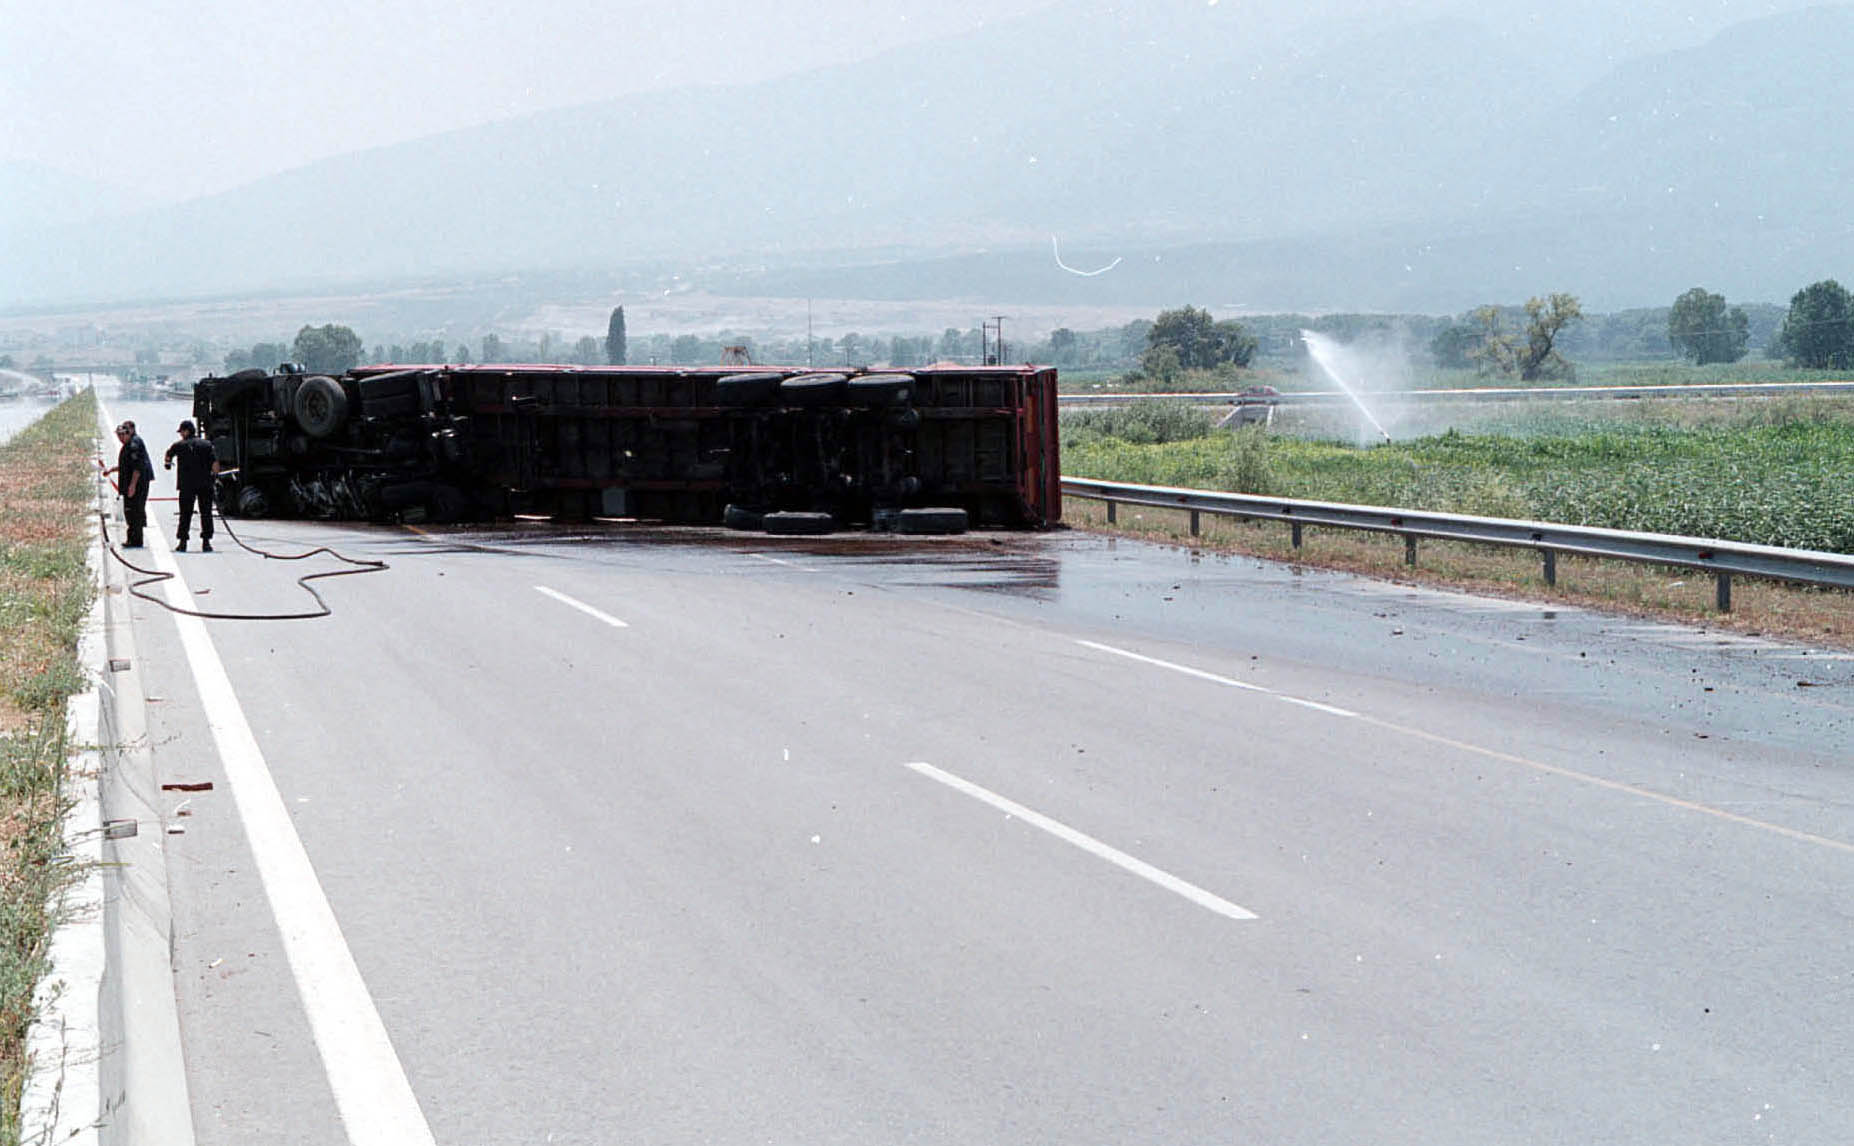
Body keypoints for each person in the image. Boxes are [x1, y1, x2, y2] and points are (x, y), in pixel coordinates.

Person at [164, 419, 219, 552]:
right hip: (205, 484)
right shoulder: (206, 444)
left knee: (185, 514)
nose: (181, 435)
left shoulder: (179, 445)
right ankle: (206, 542)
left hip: (186, 485)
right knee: (206, 513)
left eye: (182, 432)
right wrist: (214, 477)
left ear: (186, 431)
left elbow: (168, 455)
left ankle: (183, 542)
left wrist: (168, 464)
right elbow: (215, 464)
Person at [105, 420, 155, 548]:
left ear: (128, 433)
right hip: (132, 483)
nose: (120, 438)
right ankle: (133, 538)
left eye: (122, 435)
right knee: (130, 511)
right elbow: (126, 466)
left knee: (134, 511)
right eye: (118, 435)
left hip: (137, 484)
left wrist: (132, 485)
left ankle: (136, 540)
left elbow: (137, 468)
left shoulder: (134, 445)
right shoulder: (128, 445)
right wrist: (112, 470)